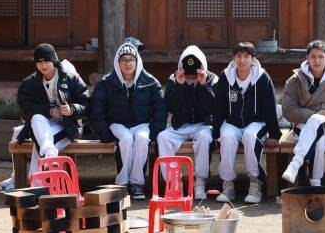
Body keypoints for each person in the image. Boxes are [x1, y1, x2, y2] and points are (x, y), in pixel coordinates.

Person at [88, 42, 166, 200]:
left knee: (142, 139)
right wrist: (104, 133)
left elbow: (160, 111)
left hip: (142, 124)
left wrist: (154, 132)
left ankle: (136, 183)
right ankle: (123, 183)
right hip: (117, 124)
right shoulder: (106, 83)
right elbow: (96, 111)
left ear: (137, 61)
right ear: (118, 62)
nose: (128, 63)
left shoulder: (151, 82)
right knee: (126, 139)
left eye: (131, 59)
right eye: (124, 59)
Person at [213, 42, 281, 204]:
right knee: (227, 136)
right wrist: (215, 133)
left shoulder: (262, 77)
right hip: (232, 122)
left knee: (250, 136)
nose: (242, 60)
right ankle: (228, 185)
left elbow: (270, 107)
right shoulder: (225, 77)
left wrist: (274, 134)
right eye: (238, 56)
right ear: (233, 58)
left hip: (256, 122)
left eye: (246, 56)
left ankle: (255, 182)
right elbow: (219, 107)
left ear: (253, 59)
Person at [281, 40, 325, 188]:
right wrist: (315, 112)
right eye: (313, 56)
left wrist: (322, 107)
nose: (317, 61)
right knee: (319, 139)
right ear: (307, 57)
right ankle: (316, 183)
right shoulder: (295, 81)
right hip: (302, 127)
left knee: (317, 120)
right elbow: (288, 111)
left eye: (321, 57)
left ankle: (296, 163)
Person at [16, 44, 89, 176]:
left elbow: (86, 103)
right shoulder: (29, 83)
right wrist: (48, 111)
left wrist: (71, 109)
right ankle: (50, 158)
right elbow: (25, 107)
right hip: (42, 124)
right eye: (39, 62)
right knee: (37, 118)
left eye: (46, 61)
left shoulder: (71, 78)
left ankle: (38, 181)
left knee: (41, 143)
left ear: (54, 60)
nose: (43, 66)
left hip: (67, 125)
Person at [156, 45, 217, 200]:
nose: (191, 77)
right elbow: (171, 107)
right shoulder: (174, 78)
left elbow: (212, 107)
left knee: (205, 137)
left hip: (203, 124)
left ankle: (200, 182)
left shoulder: (212, 78)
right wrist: (180, 86)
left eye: (193, 75)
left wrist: (203, 86)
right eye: (188, 74)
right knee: (163, 137)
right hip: (180, 125)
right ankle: (174, 183)